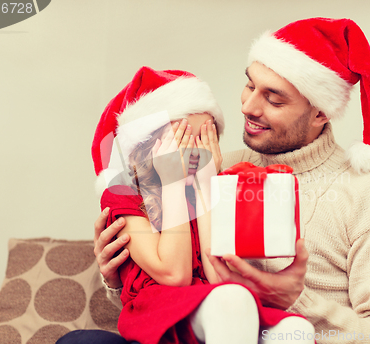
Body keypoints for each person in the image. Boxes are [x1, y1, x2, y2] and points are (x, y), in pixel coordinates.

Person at [62, 17, 370, 344]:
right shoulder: (214, 165)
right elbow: (173, 283)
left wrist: (297, 300)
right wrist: (117, 274)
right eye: (249, 85)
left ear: (320, 113)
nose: (248, 106)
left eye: (273, 99)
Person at [65, 66, 314, 344]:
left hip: (215, 309)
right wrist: (171, 182)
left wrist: (206, 186)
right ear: (147, 148)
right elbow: (175, 274)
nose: (193, 152)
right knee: (232, 298)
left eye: (204, 139)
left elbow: (217, 277)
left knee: (297, 330)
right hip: (162, 313)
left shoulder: (213, 186)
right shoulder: (124, 193)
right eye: (181, 139)